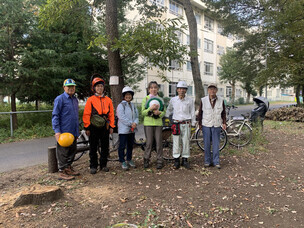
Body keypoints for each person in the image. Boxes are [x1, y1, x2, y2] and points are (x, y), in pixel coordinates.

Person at [83, 77, 115, 174]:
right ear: (94, 88)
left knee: (105, 146)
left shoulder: (108, 100)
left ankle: (103, 164)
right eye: (97, 86)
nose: (99, 88)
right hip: (93, 126)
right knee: (93, 146)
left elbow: (111, 114)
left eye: (101, 86)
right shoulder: (91, 100)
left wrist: (112, 126)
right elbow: (86, 114)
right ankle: (93, 165)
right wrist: (87, 127)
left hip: (104, 125)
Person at [52, 79, 80, 180]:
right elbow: (55, 116)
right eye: (69, 87)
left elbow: (75, 116)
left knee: (73, 150)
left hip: (73, 131)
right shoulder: (60, 99)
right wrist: (57, 131)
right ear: (64, 88)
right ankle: (62, 171)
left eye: (73, 86)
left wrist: (77, 130)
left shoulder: (75, 99)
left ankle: (68, 168)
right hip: (63, 131)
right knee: (63, 152)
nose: (71, 88)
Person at [166, 81, 196, 169]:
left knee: (186, 142)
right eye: (180, 89)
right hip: (176, 124)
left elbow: (192, 112)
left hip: (186, 123)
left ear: (186, 90)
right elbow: (169, 109)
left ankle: (185, 160)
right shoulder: (173, 100)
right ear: (177, 90)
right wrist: (167, 118)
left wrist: (193, 125)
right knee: (176, 142)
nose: (181, 91)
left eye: (183, 89)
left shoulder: (190, 100)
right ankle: (176, 160)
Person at [198, 83, 226, 169]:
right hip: (206, 124)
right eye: (210, 89)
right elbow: (200, 113)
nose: (212, 91)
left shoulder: (221, 100)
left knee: (216, 144)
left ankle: (216, 161)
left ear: (216, 90)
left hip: (216, 124)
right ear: (208, 90)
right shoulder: (203, 100)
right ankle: (207, 161)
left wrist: (224, 122)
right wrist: (200, 124)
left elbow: (223, 113)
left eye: (214, 89)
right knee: (206, 144)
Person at [141, 81, 166, 169]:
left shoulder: (161, 99)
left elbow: (164, 112)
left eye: (155, 87)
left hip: (158, 124)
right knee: (149, 143)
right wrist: (150, 109)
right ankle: (146, 159)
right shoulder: (146, 99)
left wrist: (159, 113)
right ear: (149, 89)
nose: (153, 89)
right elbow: (143, 113)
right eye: (151, 88)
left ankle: (159, 160)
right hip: (148, 124)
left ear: (158, 89)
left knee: (159, 143)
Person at [117, 86, 139, 170]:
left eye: (130, 94)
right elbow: (121, 117)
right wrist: (131, 124)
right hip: (123, 130)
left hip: (131, 130)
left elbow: (137, 116)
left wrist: (135, 123)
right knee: (122, 146)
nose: (128, 96)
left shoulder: (133, 105)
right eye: (126, 94)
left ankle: (129, 159)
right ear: (123, 96)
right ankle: (122, 161)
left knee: (130, 145)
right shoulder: (121, 105)